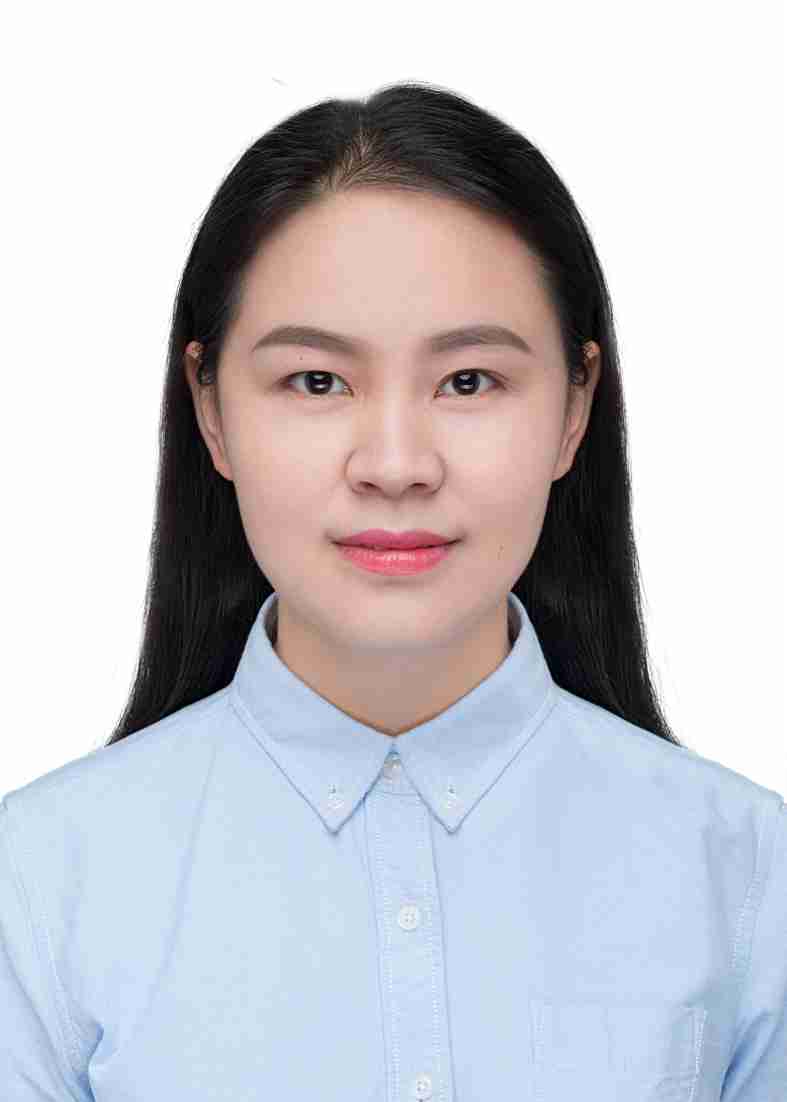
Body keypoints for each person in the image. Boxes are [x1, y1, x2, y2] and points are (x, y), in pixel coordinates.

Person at [1, 81, 784, 1100]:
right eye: (316, 381)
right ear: (211, 409)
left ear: (574, 406)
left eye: (468, 381)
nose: (396, 464)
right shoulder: (36, 881)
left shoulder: (748, 873)